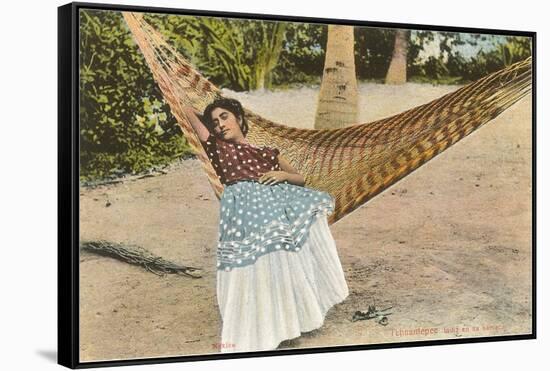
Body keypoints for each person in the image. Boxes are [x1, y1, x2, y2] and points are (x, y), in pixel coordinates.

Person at [183, 97, 349, 353]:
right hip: (243, 213)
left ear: (239, 118)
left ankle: (288, 322)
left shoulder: (268, 153)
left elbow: (300, 178)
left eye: (224, 117)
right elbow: (187, 112)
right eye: (214, 123)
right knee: (250, 268)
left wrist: (282, 175)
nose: (219, 125)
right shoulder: (217, 148)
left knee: (281, 263)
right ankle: (259, 326)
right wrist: (182, 89)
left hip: (274, 209)